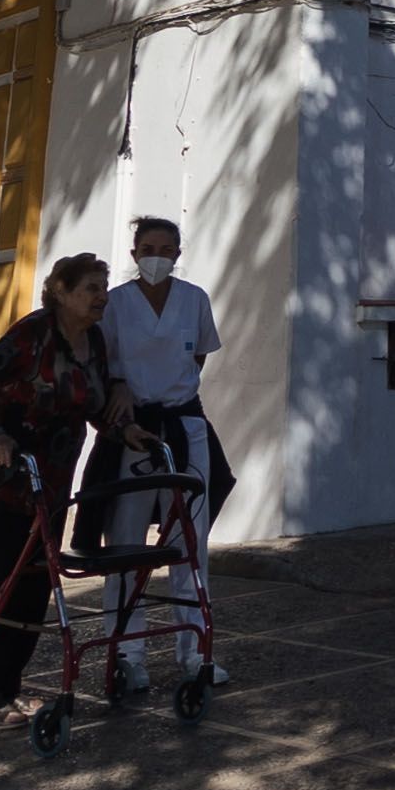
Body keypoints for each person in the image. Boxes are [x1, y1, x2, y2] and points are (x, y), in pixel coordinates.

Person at [0, 252, 132, 729]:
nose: (102, 297)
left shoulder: (93, 341)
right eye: (91, 288)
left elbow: (92, 405)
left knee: (33, 592)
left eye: (103, 288)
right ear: (61, 292)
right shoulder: (33, 335)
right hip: (0, 482)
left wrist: (127, 427)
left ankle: (8, 688)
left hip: (49, 486)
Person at [90, 215, 235, 691]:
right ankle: (127, 656)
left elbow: (198, 358)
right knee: (126, 542)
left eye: (166, 249)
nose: (157, 256)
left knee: (189, 540)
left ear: (178, 254)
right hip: (134, 431)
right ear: (134, 253)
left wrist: (169, 393)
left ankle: (196, 653)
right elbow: (104, 366)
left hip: (185, 426)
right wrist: (122, 389)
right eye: (148, 248)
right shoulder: (115, 304)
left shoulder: (195, 299)